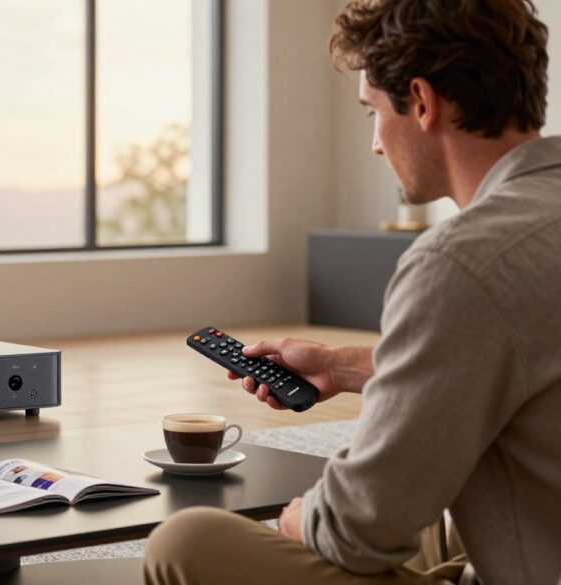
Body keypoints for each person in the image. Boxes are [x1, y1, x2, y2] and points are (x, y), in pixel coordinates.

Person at [144, 2, 561, 585]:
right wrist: (341, 367)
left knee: (187, 540)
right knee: (430, 502)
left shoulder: (462, 263)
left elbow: (355, 530)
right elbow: (521, 360)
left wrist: (297, 521)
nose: (374, 144)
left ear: (421, 102)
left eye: (372, 112)